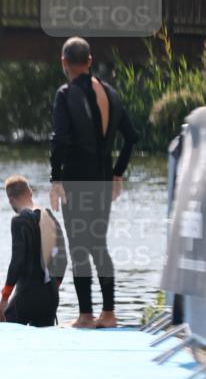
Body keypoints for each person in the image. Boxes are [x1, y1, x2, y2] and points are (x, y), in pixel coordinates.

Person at [49, 37, 139, 328]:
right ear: (89, 61)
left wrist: (55, 177)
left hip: (75, 181)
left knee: (78, 247)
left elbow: (59, 139)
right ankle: (109, 314)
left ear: (65, 62)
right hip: (101, 181)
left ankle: (86, 315)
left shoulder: (66, 94)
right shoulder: (111, 93)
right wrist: (117, 173)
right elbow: (131, 137)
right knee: (99, 244)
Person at [0, 175, 66, 327]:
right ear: (30, 193)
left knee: (4, 331)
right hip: (51, 296)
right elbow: (63, 259)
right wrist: (53, 286)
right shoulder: (49, 216)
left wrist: (4, 298)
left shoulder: (19, 220)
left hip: (27, 294)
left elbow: (17, 262)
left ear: (10, 199)